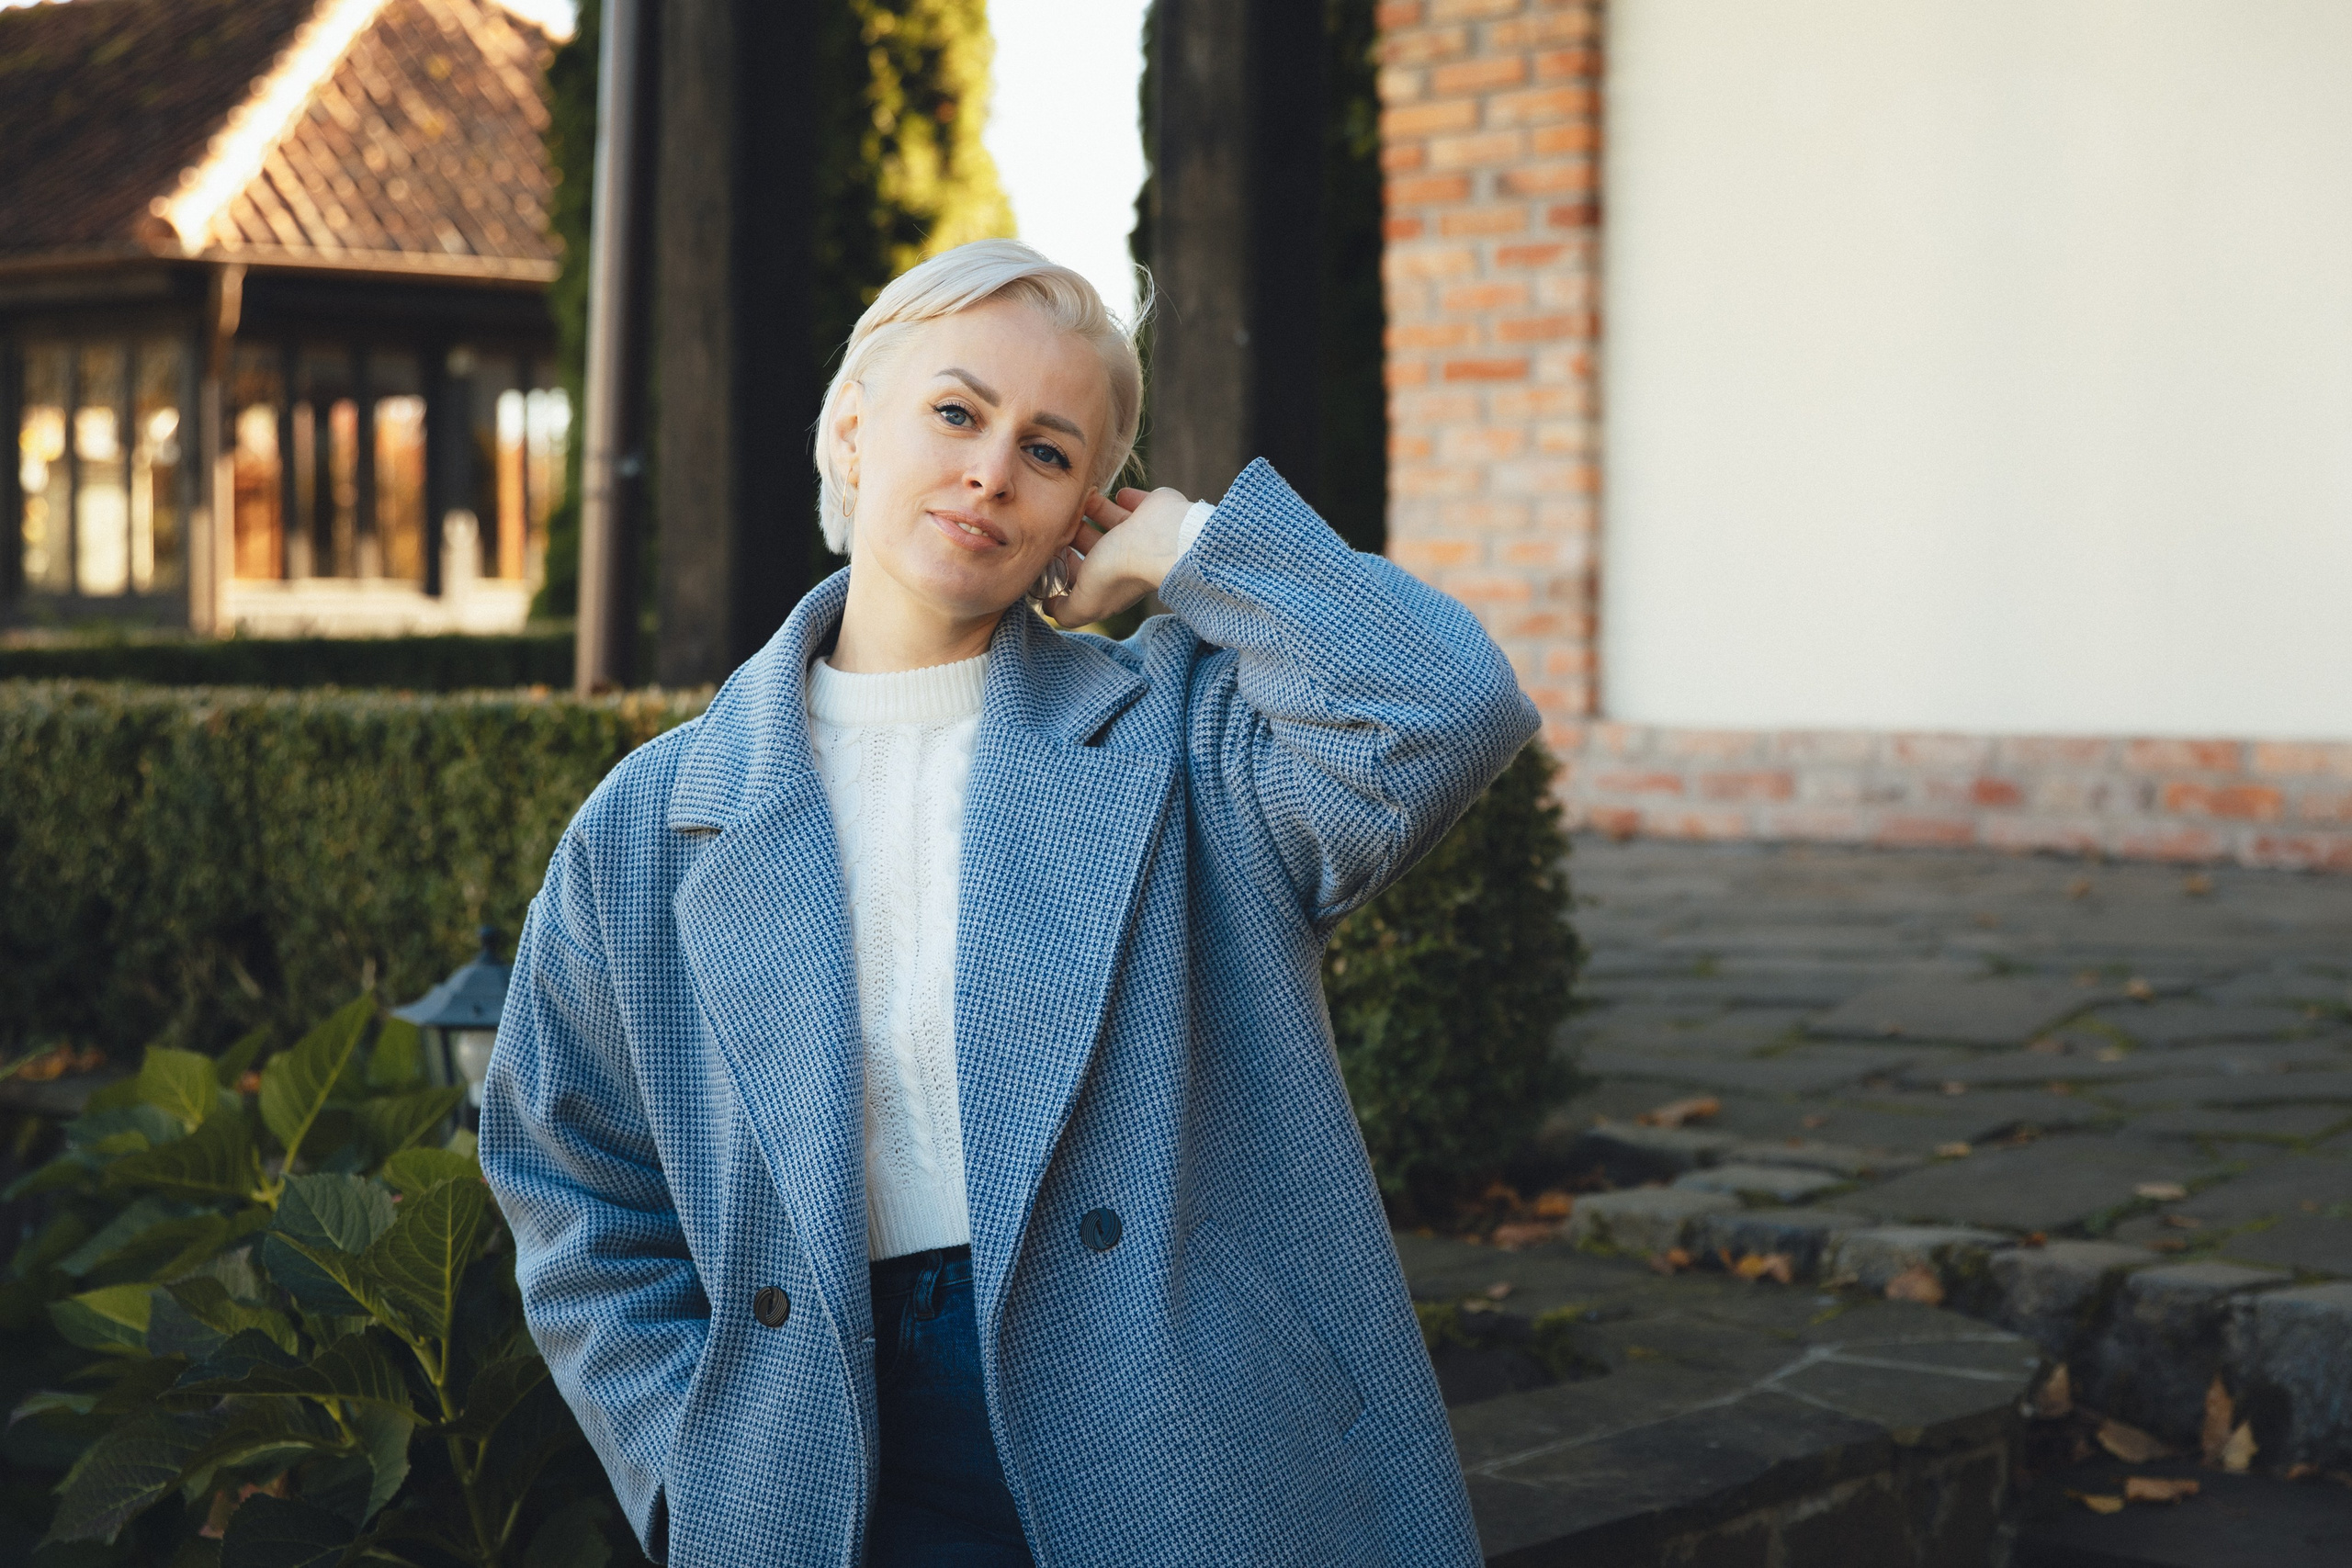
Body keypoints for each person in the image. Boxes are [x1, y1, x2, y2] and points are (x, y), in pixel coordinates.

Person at [479, 239, 1537, 1567]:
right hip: (831, 1455)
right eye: (957, 412)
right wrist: (698, 1462)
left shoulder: (1182, 743)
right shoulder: (648, 824)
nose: (991, 469)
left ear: (1087, 510)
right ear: (855, 427)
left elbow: (1448, 709)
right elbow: (572, 1185)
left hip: (1190, 1432)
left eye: (1050, 452)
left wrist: (1194, 546)